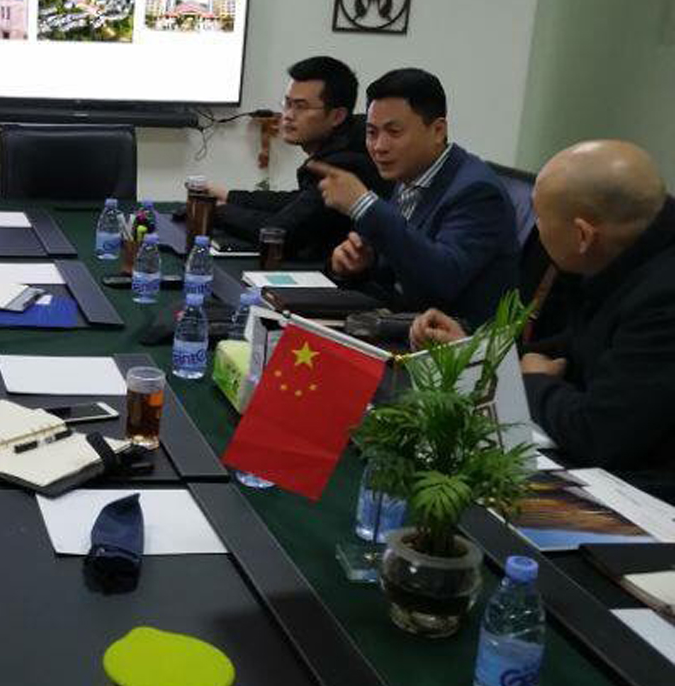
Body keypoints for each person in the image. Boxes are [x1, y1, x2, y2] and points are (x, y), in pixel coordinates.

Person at [410, 140, 675, 500]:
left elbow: (598, 433)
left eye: (538, 218)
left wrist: (533, 382)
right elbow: (577, 345)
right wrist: (477, 351)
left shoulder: (662, 301)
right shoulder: (627, 250)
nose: (534, 226)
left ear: (582, 236)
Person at [308, 67, 518, 327]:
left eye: (394, 132)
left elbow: (442, 279)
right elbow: (401, 265)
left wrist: (364, 204)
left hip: (450, 341)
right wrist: (358, 265)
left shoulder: (477, 192)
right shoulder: (409, 173)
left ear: (438, 130)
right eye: (371, 132)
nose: (379, 146)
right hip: (399, 322)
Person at [202, 56, 391, 261]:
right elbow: (297, 203)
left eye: (301, 106)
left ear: (337, 116)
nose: (288, 115)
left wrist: (215, 210)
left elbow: (278, 233)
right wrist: (228, 195)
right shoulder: (344, 144)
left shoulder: (346, 164)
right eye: (287, 103)